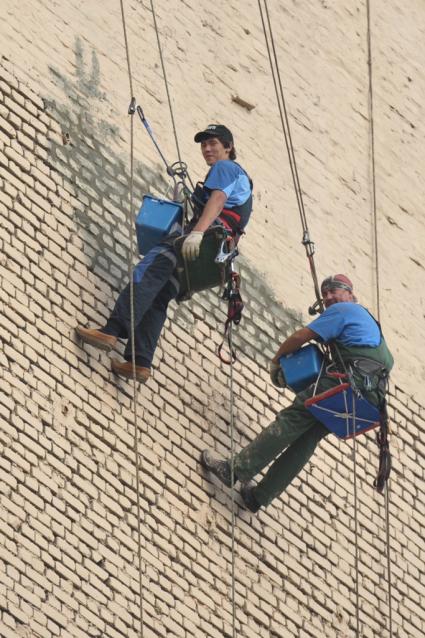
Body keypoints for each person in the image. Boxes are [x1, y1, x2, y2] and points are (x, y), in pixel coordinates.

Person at [201, 274, 394, 512]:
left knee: (292, 419)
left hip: (348, 383)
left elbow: (301, 336)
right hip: (367, 398)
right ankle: (259, 497)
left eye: (334, 290)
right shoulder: (370, 325)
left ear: (351, 295)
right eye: (325, 294)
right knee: (307, 438)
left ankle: (234, 471)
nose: (328, 297)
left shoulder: (345, 310)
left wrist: (276, 361)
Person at [76, 124, 253, 382]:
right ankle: (140, 361)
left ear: (228, 147)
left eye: (213, 143)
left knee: (147, 271)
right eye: (204, 145)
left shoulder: (226, 168)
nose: (207, 149)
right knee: (160, 296)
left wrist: (197, 232)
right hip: (210, 257)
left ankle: (112, 330)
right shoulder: (242, 181)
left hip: (202, 241)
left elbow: (218, 200)